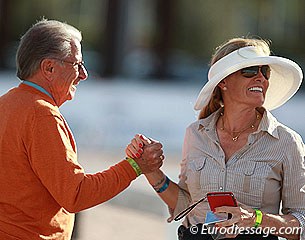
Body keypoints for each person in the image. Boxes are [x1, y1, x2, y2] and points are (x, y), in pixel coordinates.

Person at [126, 37, 305, 239]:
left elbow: (301, 223)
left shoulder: (286, 142)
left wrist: (256, 219)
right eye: (250, 70)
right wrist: (150, 170)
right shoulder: (195, 134)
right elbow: (186, 205)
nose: (261, 78)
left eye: (265, 72)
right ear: (223, 82)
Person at [0, 19, 164, 240]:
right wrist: (134, 166)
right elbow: (76, 195)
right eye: (77, 64)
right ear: (49, 67)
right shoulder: (41, 114)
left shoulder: (7, 103)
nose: (84, 74)